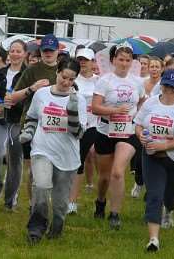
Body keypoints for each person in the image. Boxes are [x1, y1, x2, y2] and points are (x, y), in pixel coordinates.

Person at [23, 59, 86, 244]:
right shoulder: (42, 94)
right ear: (57, 73)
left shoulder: (78, 100)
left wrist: (72, 112)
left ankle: (57, 226)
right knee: (41, 186)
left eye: (71, 79)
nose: (66, 82)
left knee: (60, 202)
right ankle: (36, 228)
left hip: (67, 155)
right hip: (42, 149)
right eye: (63, 77)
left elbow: (78, 133)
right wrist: (27, 132)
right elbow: (32, 117)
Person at [134, 69, 174, 252]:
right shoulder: (151, 103)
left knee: (170, 197)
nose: (168, 89)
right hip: (152, 156)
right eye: (166, 85)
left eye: (172, 87)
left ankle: (169, 211)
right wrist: (141, 137)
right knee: (155, 195)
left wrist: (164, 146)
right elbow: (138, 125)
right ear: (161, 84)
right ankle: (154, 239)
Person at [91, 42, 146, 229]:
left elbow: (142, 102)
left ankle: (115, 214)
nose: (124, 63)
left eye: (127, 60)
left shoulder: (137, 82)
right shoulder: (105, 81)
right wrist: (113, 110)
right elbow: (95, 107)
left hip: (127, 131)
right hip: (106, 130)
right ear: (114, 60)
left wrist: (136, 117)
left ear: (132, 62)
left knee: (117, 172)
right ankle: (100, 201)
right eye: (121, 59)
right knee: (105, 177)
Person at [10, 34, 60, 209]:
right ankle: (34, 204)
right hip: (32, 124)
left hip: (56, 126)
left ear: (58, 51)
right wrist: (32, 88)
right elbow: (12, 98)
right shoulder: (31, 70)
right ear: (40, 51)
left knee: (54, 168)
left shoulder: (64, 70)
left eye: (51, 50)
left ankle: (50, 200)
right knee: (33, 169)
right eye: (45, 50)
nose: (48, 53)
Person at [0, 40, 27, 209]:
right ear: (8, 53)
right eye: (12, 51)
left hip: (17, 121)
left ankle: (10, 199)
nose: (15, 54)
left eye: (19, 51)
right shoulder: (1, 73)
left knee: (14, 161)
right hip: (0, 119)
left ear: (24, 53)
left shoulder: (28, 74)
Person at [67, 48, 99, 214]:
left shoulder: (98, 81)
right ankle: (64, 195)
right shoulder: (71, 79)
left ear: (93, 62)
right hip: (71, 125)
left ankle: (72, 201)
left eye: (86, 60)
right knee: (67, 161)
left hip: (91, 127)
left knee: (78, 162)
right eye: (80, 59)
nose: (83, 63)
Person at [130, 56, 164, 199]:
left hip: (158, 126)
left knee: (155, 159)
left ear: (162, 69)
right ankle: (138, 183)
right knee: (139, 159)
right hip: (140, 124)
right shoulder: (140, 83)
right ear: (148, 68)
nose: (154, 69)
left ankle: (151, 190)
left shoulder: (164, 85)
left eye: (157, 66)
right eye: (152, 66)